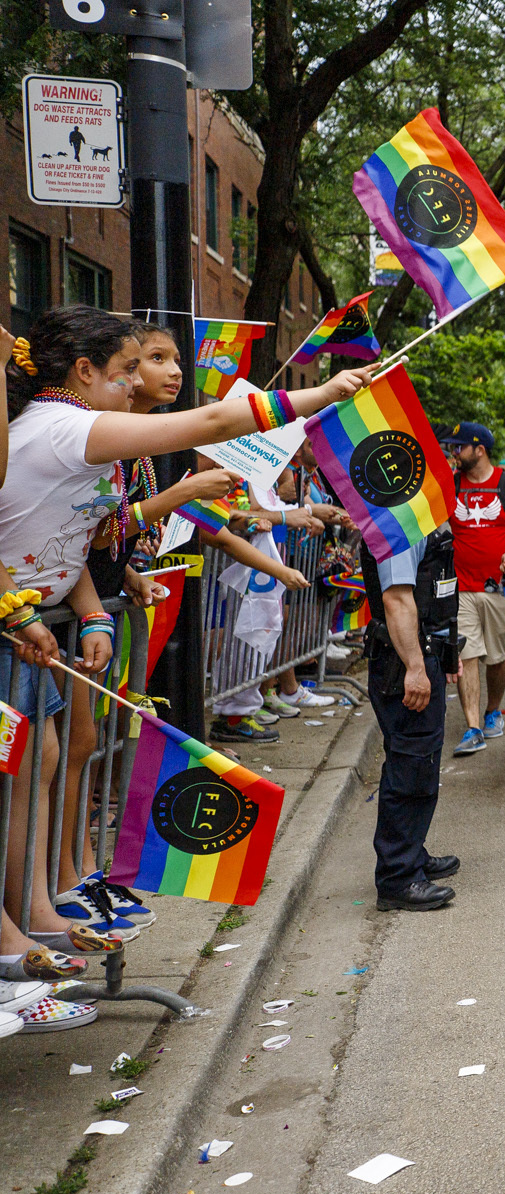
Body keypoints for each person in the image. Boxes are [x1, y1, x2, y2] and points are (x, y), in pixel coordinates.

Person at [0, 305, 366, 962]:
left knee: (46, 761)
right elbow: (213, 421)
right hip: (15, 636)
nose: (136, 386)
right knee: (26, 771)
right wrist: (322, 393)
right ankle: (17, 934)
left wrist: (89, 613)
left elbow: (68, 543)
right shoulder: (63, 429)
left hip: (34, 638)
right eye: (125, 372)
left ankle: (33, 914)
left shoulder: (71, 428)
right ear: (84, 372)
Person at [363, 524, 462, 911]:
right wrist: (416, 668)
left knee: (421, 762)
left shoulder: (415, 518)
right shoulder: (397, 525)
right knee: (410, 764)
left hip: (421, 653)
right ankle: (398, 877)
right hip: (403, 661)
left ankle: (411, 855)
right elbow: (398, 600)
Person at [445, 421, 505, 757]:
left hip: (500, 587)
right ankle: (473, 728)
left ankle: (493, 710)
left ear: (479, 449)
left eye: (459, 447)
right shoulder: (451, 485)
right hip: (461, 587)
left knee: (496, 658)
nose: (454, 453)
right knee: (466, 653)